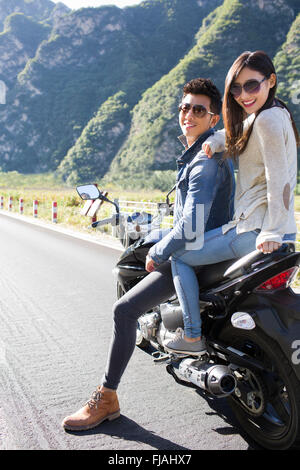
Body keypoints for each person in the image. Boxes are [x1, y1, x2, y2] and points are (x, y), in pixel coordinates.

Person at [61, 77, 235, 431]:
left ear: (213, 118)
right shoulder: (206, 154)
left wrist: (160, 248)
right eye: (185, 107)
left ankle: (106, 397)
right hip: (222, 248)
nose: (188, 114)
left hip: (199, 255)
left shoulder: (202, 163)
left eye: (198, 109)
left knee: (123, 311)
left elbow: (192, 226)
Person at [163, 50, 299, 356]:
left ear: (271, 81)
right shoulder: (275, 114)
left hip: (255, 230)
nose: (242, 95)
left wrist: (271, 232)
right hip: (279, 232)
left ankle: (192, 334)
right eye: (236, 88)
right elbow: (239, 131)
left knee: (180, 257)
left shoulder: (265, 121)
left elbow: (282, 181)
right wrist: (214, 141)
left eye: (251, 85)